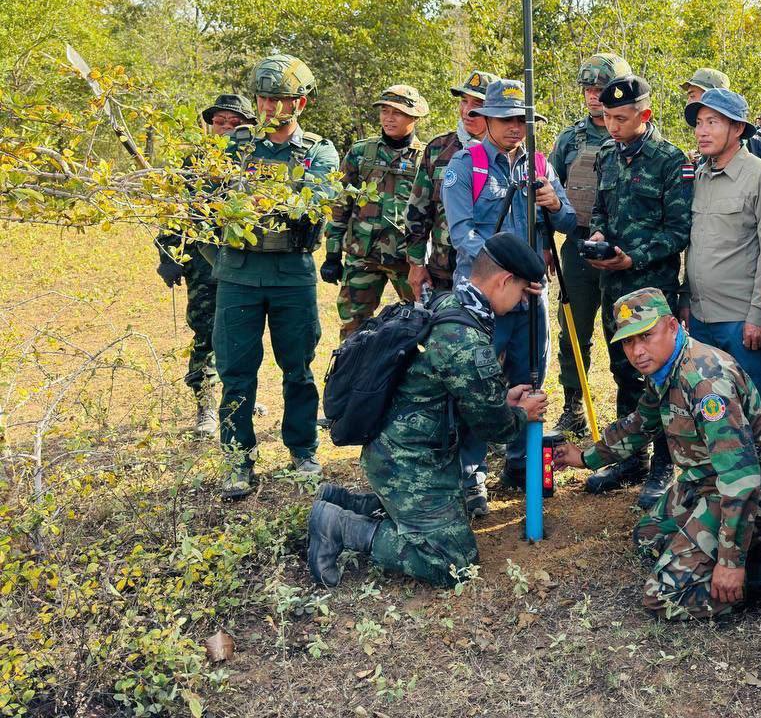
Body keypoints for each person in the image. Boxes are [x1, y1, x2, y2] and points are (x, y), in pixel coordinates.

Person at [554, 288, 761, 640]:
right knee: (649, 538)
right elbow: (641, 423)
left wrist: (729, 563)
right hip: (704, 483)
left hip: (748, 498)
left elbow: (742, 479)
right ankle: (735, 556)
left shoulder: (705, 383)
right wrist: (586, 458)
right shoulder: (666, 368)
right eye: (628, 342)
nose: (637, 351)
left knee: (663, 597)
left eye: (646, 336)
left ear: (673, 327)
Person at [306, 233, 549, 588]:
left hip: (406, 448)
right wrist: (522, 413)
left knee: (453, 519)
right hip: (408, 460)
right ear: (504, 281)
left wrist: (504, 399)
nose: (521, 303)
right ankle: (340, 526)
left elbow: (457, 391)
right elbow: (494, 428)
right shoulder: (465, 339)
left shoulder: (451, 301)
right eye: (522, 292)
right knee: (454, 562)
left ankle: (344, 502)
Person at [442, 79, 575, 510]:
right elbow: (463, 235)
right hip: (483, 301)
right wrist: (512, 273)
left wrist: (554, 203)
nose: (515, 127)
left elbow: (569, 222)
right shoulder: (467, 165)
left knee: (529, 379)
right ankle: (471, 476)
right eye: (505, 119)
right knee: (477, 384)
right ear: (485, 120)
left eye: (522, 120)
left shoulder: (539, 165)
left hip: (532, 299)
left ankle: (520, 462)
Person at [213, 55, 339, 498]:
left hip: (291, 275)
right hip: (238, 274)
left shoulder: (318, 151)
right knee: (235, 372)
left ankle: (302, 450)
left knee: (298, 369)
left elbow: (314, 200)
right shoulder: (233, 147)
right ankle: (237, 459)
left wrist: (255, 201)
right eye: (263, 98)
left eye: (279, 99)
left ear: (300, 103)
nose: (269, 107)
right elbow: (207, 197)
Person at [584, 75, 693, 508]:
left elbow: (679, 231)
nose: (612, 126)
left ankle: (664, 465)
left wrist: (635, 258)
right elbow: (599, 210)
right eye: (607, 117)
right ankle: (630, 458)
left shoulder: (670, 160)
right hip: (613, 286)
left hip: (652, 288)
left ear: (644, 115)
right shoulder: (606, 155)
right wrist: (597, 235)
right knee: (624, 369)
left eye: (621, 118)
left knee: (660, 374)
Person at [155, 93, 256, 437]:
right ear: (210, 125)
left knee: (243, 334)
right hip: (203, 262)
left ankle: (239, 396)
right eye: (219, 121)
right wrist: (168, 254)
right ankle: (206, 404)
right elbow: (173, 212)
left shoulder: (256, 160)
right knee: (207, 331)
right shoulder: (193, 162)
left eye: (235, 123)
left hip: (248, 262)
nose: (226, 128)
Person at [681, 88, 761, 412]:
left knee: (754, 408)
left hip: (741, 320)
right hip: (701, 317)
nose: (702, 131)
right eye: (699, 123)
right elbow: (695, 244)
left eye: (712, 122)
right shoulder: (699, 176)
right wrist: (686, 300)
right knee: (710, 407)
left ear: (737, 128)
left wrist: (759, 315)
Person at [549, 54, 629, 433]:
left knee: (625, 333)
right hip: (578, 248)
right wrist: (545, 244)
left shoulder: (635, 136)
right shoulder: (570, 139)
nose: (594, 96)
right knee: (573, 331)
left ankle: (629, 414)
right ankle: (573, 407)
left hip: (624, 252)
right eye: (588, 89)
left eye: (601, 88)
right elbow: (548, 192)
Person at [322, 85, 428, 340]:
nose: (389, 118)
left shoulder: (425, 157)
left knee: (421, 325)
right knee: (352, 330)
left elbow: (431, 211)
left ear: (414, 117)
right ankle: (350, 367)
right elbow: (341, 205)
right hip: (363, 255)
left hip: (407, 259)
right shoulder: (361, 152)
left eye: (397, 113)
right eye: (384, 111)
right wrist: (332, 254)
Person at [405, 70, 494, 297]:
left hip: (491, 273)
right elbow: (418, 209)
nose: (467, 111)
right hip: (443, 273)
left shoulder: (507, 154)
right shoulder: (439, 148)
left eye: (478, 104)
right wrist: (416, 263)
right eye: (464, 101)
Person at [682, 68, 761, 170]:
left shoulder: (755, 144)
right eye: (699, 123)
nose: (688, 102)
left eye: (692, 96)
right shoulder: (708, 147)